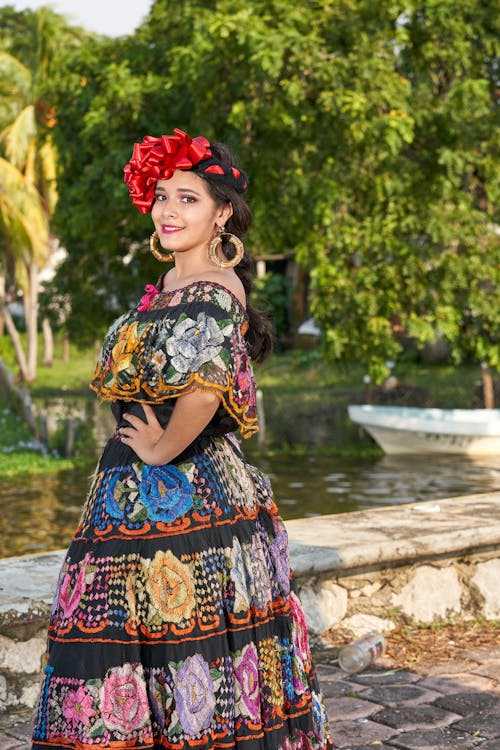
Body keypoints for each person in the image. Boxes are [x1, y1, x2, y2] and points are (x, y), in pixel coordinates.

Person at [32, 128, 333, 750]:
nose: (169, 210)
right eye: (162, 195)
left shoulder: (217, 289)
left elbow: (201, 391)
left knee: (183, 643)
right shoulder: (165, 289)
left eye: (188, 198)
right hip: (129, 489)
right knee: (121, 639)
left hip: (191, 489)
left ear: (222, 212)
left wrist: (162, 449)